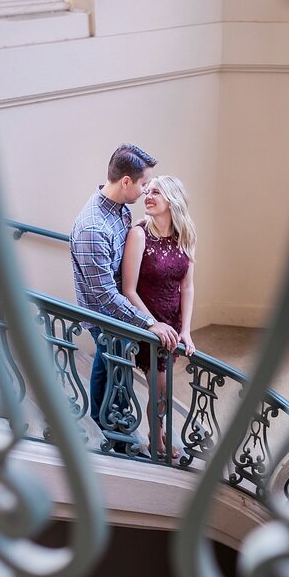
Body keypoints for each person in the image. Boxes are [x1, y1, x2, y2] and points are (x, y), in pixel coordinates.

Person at [70, 145, 179, 437]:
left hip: (121, 309)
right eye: (144, 184)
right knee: (110, 368)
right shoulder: (93, 228)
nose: (146, 191)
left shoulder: (120, 212)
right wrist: (148, 322)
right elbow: (104, 295)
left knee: (113, 367)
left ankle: (112, 423)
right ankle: (108, 430)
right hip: (103, 315)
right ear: (126, 182)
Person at [122, 175, 196, 459]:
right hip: (148, 325)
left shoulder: (185, 235)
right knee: (162, 388)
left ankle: (160, 433)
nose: (148, 197)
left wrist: (186, 330)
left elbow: (187, 286)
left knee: (161, 389)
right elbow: (128, 290)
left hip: (173, 326)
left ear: (172, 201)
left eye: (156, 193)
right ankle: (157, 436)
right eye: (147, 191)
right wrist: (153, 324)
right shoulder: (139, 235)